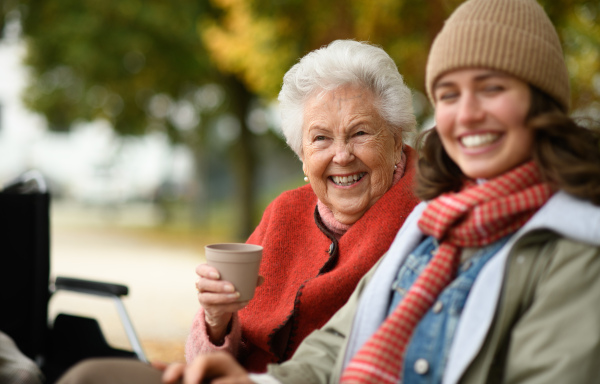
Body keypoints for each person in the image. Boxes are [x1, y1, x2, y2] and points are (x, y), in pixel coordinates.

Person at [155, 0, 600, 383]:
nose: (466, 114)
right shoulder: (439, 221)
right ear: (301, 155)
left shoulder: (568, 244)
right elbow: (334, 350)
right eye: (448, 94)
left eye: (492, 89)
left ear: (398, 139)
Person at [55, 39, 421, 383]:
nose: (341, 156)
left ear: (396, 138)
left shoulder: (424, 218)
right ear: (303, 158)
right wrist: (217, 319)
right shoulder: (286, 213)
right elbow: (210, 354)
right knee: (89, 376)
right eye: (321, 138)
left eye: (359, 134)